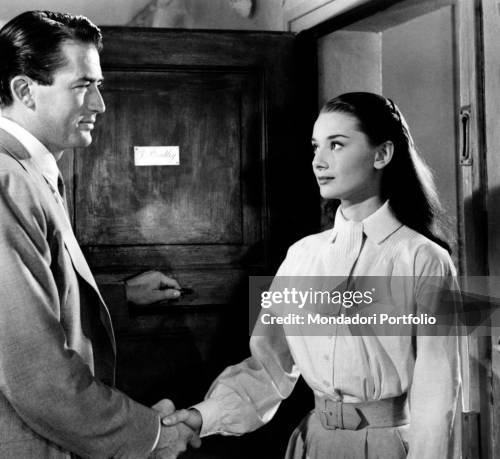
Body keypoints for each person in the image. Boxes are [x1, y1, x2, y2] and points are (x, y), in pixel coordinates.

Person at [0, 10, 199, 459]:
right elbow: (37, 374)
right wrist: (150, 435)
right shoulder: (1, 184)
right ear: (24, 91)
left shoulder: (16, 171)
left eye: (98, 86)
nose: (99, 104)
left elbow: (23, 301)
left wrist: (114, 294)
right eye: (82, 86)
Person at [163, 92, 462, 458]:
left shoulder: (423, 259)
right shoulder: (302, 256)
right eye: (315, 146)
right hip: (313, 444)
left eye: (336, 145)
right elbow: (268, 367)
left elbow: (438, 389)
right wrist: (199, 418)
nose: (319, 161)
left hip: (388, 447)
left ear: (382, 154)